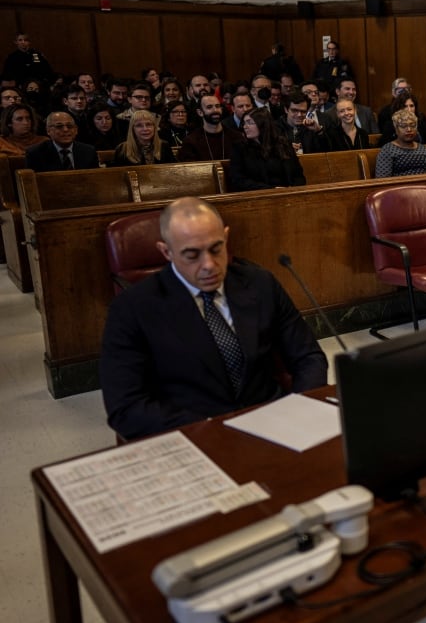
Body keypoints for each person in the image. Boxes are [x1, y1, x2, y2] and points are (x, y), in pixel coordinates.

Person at [99, 197, 328, 440]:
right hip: (194, 435)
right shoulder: (132, 308)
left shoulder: (260, 283)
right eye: (192, 255)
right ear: (166, 252)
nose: (209, 264)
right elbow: (126, 408)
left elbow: (308, 358)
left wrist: (302, 411)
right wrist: (211, 430)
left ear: (226, 237)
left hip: (273, 422)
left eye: (216, 249)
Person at [227, 107, 306, 191]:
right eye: (244, 123)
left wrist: (292, 190)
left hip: (287, 193)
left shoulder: (283, 144)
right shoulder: (240, 148)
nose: (245, 127)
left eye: (250, 123)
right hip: (258, 195)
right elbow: (238, 180)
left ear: (263, 125)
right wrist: (271, 189)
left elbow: (298, 175)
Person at [178, 94, 245, 162]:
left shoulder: (237, 137)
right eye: (209, 107)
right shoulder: (191, 141)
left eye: (217, 106)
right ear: (200, 112)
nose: (215, 110)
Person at [25, 111, 100, 171]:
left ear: (76, 130)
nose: (65, 130)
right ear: (48, 131)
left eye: (69, 126)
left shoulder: (89, 151)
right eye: (59, 126)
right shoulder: (35, 153)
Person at [375, 108, 426, 177]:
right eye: (404, 126)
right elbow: (383, 180)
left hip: (425, 186)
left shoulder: (424, 149)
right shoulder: (387, 150)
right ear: (396, 129)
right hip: (401, 187)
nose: (409, 129)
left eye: (412, 125)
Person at [111, 110, 178, 167]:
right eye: (139, 125)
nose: (145, 129)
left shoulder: (164, 146)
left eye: (148, 124)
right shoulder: (122, 149)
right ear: (132, 129)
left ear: (154, 127)